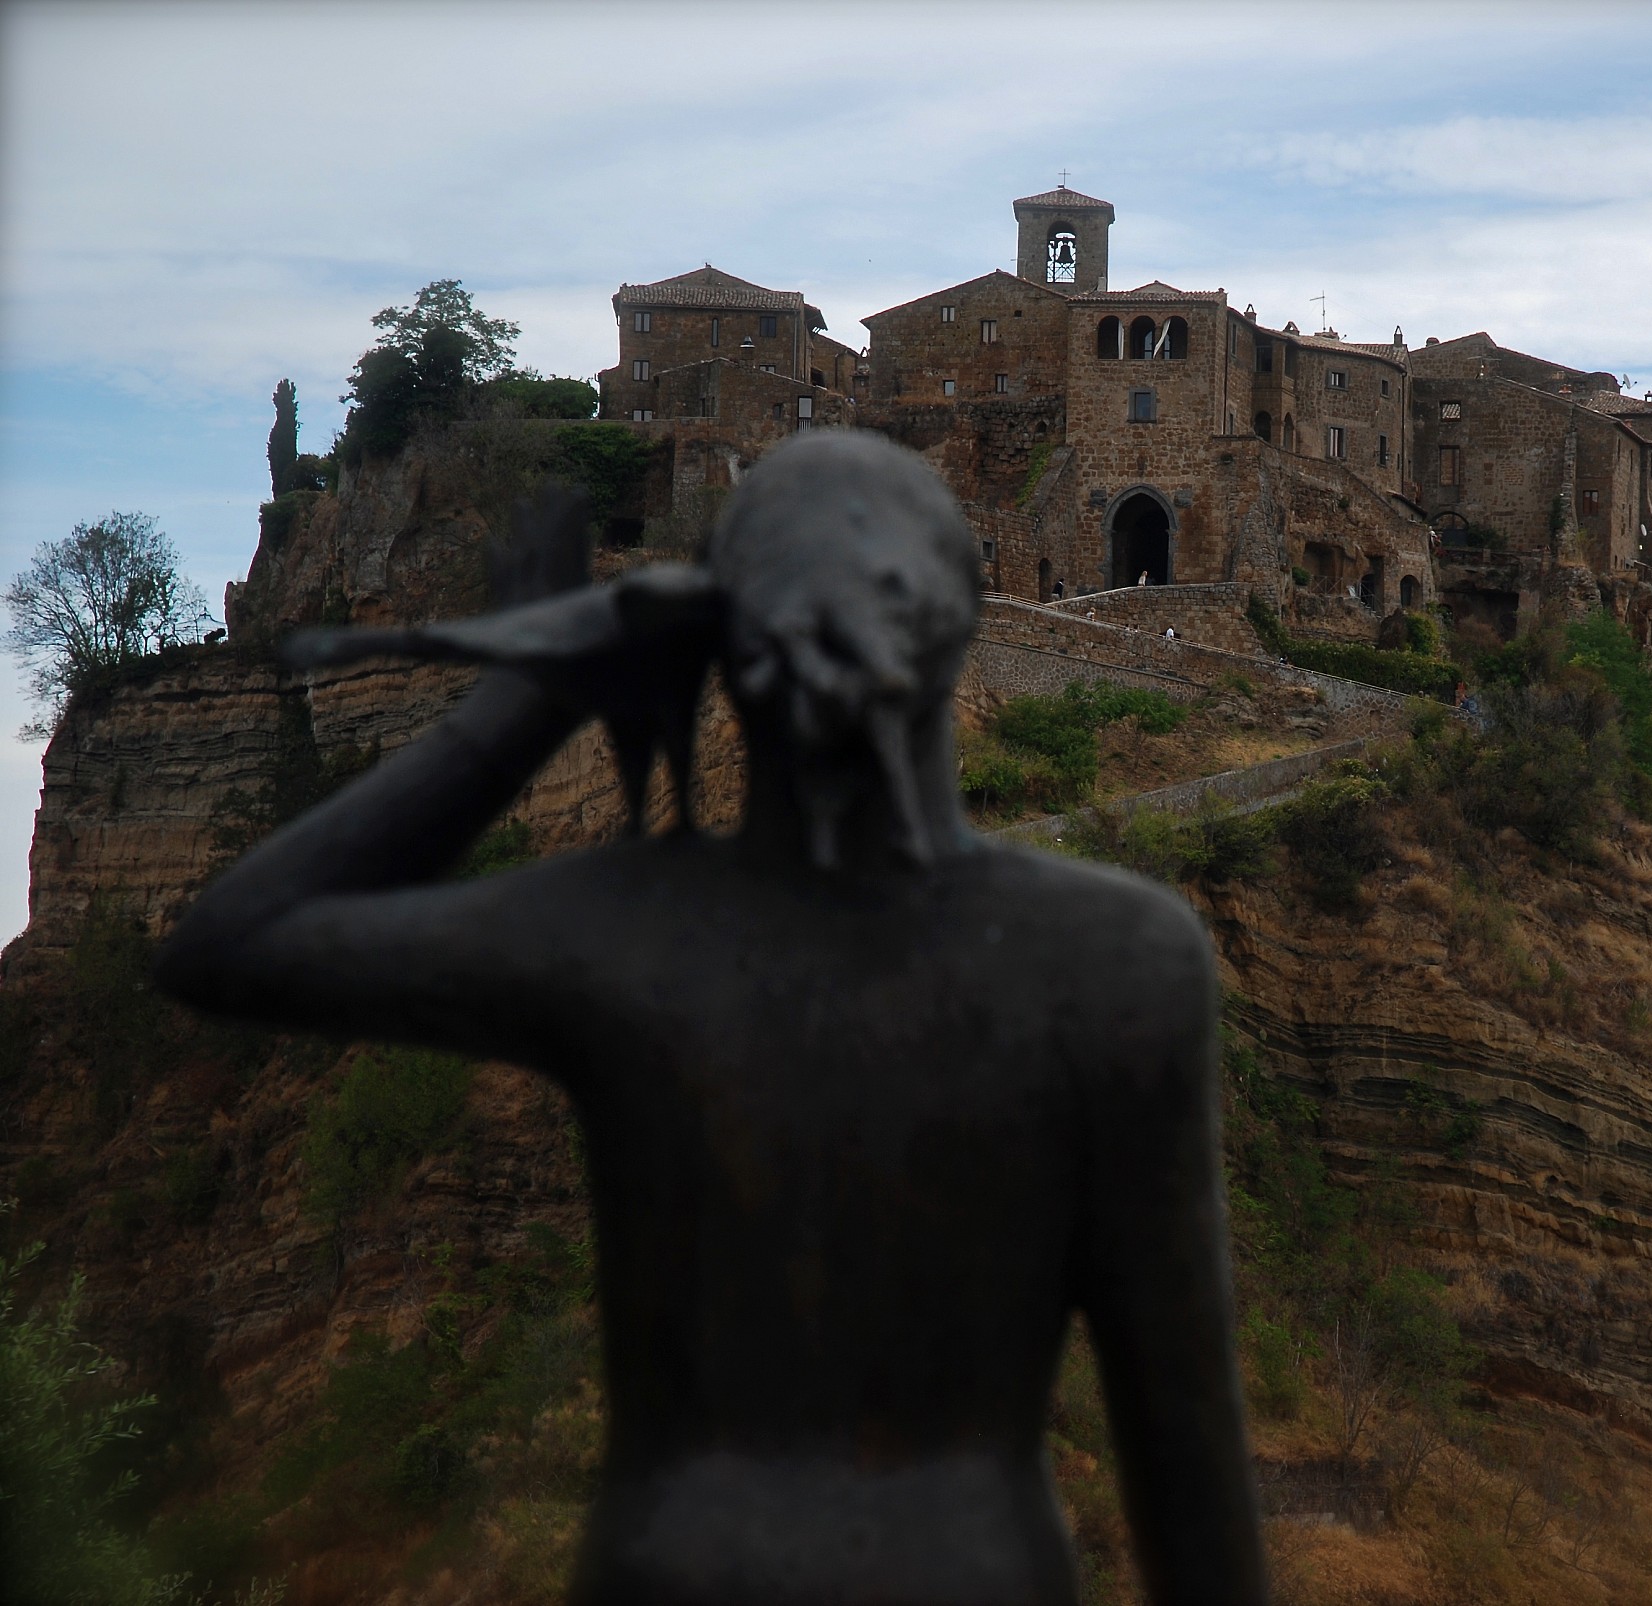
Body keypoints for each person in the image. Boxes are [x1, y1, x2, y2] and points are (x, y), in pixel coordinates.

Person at [155, 434, 1266, 1606]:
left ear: (710, 633)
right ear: (968, 615)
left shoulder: (633, 928)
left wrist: (531, 690)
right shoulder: (1116, 959)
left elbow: (232, 940)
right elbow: (1185, 1455)